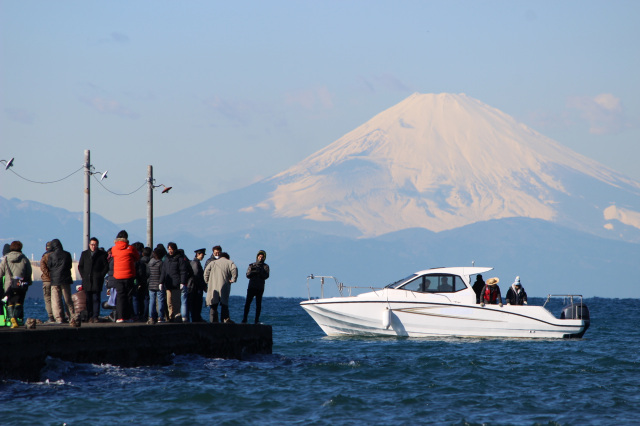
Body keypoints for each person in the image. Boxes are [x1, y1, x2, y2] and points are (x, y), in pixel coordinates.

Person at [0, 241, 33, 328]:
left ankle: (12, 320)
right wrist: (28, 282)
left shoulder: (6, 259)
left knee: (10, 302)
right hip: (21, 284)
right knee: (19, 301)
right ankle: (15, 317)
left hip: (9, 284)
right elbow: (28, 272)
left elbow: (1, 272)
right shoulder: (24, 259)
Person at [78, 237, 109, 323]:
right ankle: (89, 316)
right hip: (87, 280)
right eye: (92, 244)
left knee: (96, 298)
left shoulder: (102, 254)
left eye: (95, 245)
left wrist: (101, 275)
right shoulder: (84, 254)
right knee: (88, 299)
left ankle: (95, 316)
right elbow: (80, 266)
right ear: (89, 245)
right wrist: (84, 275)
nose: (93, 246)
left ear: (97, 245)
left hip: (97, 280)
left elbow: (106, 266)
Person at [111, 230, 140, 322]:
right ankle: (127, 317)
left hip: (118, 276)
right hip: (129, 275)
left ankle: (120, 317)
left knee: (120, 297)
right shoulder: (130, 248)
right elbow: (137, 258)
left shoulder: (114, 249)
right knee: (128, 296)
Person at [204, 250, 237, 323]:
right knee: (224, 304)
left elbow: (206, 272)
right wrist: (233, 279)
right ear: (227, 258)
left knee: (213, 305)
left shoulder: (213, 263)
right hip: (224, 286)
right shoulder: (230, 262)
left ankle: (213, 321)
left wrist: (207, 281)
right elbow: (234, 269)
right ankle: (224, 320)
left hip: (213, 287)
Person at [48, 238, 75, 323]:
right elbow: (70, 266)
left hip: (55, 280)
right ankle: (72, 316)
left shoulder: (51, 256)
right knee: (68, 299)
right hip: (65, 279)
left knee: (56, 300)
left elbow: (49, 266)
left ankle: (59, 318)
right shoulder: (67, 254)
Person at [160, 242, 187, 322]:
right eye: (169, 249)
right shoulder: (166, 259)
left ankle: (176, 316)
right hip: (168, 283)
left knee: (176, 301)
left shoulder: (179, 259)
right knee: (169, 301)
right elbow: (163, 271)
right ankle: (171, 316)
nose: (170, 251)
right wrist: (161, 282)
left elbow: (183, 271)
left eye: (171, 249)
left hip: (176, 283)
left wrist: (182, 282)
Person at [242, 250, 270, 324]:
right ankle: (244, 319)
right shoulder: (252, 265)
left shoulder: (265, 266)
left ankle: (256, 320)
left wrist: (260, 272)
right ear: (257, 257)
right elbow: (247, 275)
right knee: (247, 303)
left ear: (264, 258)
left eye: (262, 257)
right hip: (252, 286)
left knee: (258, 304)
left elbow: (266, 276)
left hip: (260, 287)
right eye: (259, 256)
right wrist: (253, 273)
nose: (261, 258)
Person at [147, 248, 166, 324]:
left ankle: (151, 317)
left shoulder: (150, 262)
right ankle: (160, 317)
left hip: (151, 284)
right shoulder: (161, 263)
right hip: (159, 284)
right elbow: (162, 274)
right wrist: (161, 282)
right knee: (160, 300)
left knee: (151, 301)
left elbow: (148, 273)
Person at [39, 241, 55, 322]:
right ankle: (58, 315)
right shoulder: (56, 255)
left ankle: (51, 316)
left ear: (46, 248)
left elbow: (42, 267)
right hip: (55, 280)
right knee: (56, 298)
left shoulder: (44, 256)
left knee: (48, 299)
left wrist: (48, 274)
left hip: (46, 280)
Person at [189, 248, 207, 322]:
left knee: (194, 305)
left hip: (194, 287)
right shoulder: (196, 263)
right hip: (196, 288)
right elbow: (196, 276)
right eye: (202, 255)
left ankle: (196, 318)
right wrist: (203, 286)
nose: (202, 257)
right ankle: (196, 318)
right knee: (197, 304)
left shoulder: (193, 262)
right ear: (197, 254)